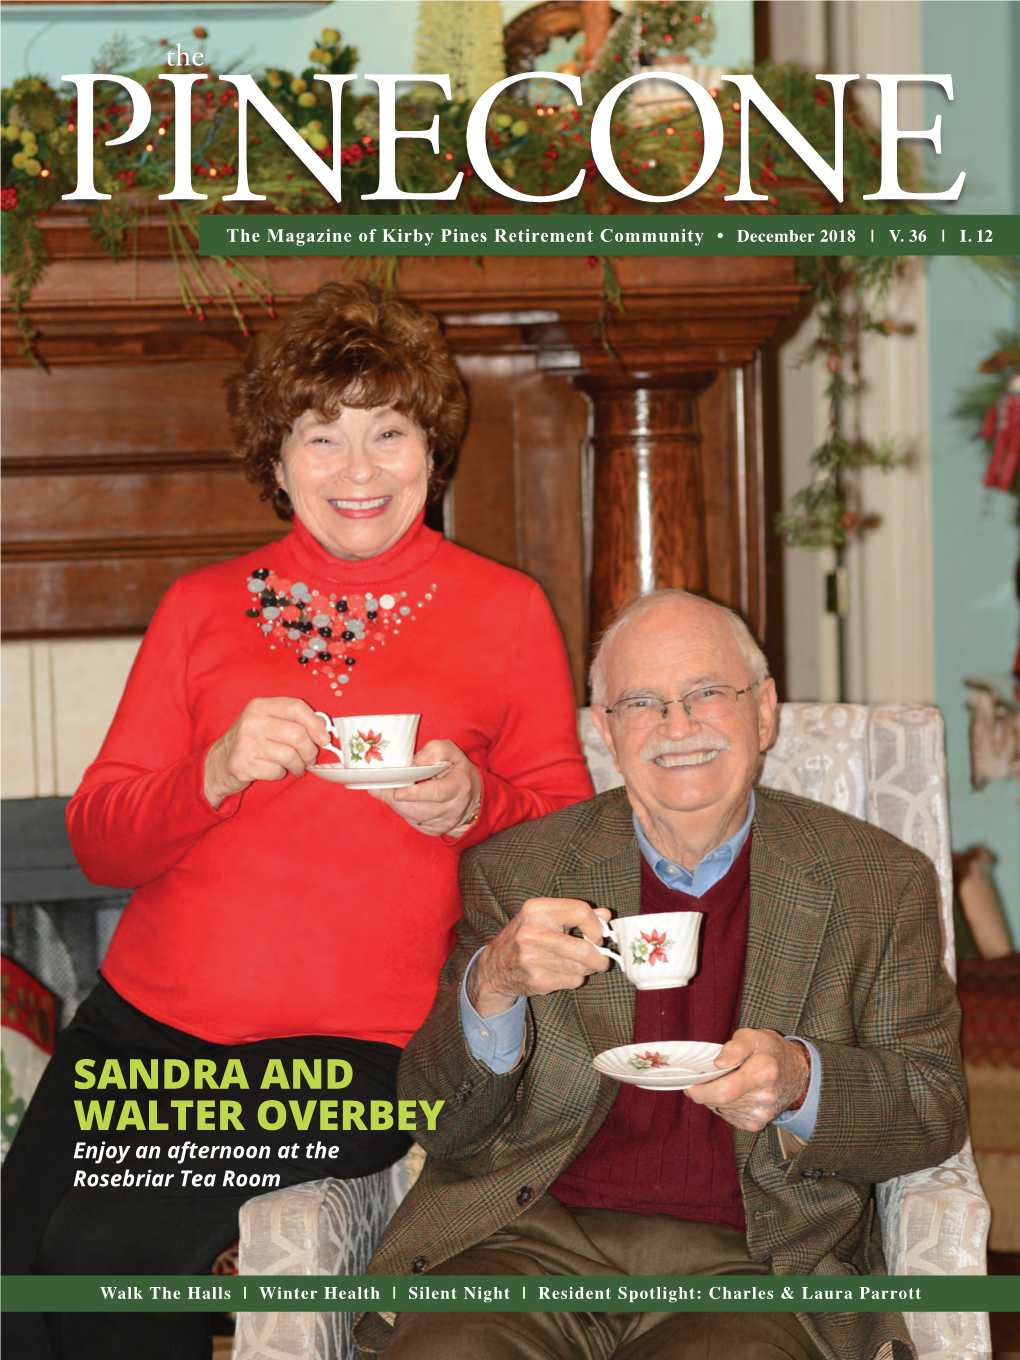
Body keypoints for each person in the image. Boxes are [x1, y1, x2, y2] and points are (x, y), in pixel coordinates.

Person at [2, 282, 593, 1360]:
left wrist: (479, 802)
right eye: (322, 438)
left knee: (106, 1251)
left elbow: (572, 842)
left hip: (353, 1056)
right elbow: (98, 836)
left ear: (432, 448)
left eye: (388, 432)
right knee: (12, 1265)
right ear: (276, 462)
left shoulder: (505, 612)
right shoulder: (200, 607)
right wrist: (212, 771)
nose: (358, 471)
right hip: (144, 1027)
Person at [356, 589, 967, 1360]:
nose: (678, 728)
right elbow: (440, 1123)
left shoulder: (877, 882)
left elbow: (931, 1105)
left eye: (708, 693)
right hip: (527, 1240)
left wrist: (801, 1082)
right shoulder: (520, 871)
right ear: (607, 730)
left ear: (765, 711)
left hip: (753, 1264)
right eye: (643, 703)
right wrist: (495, 985)